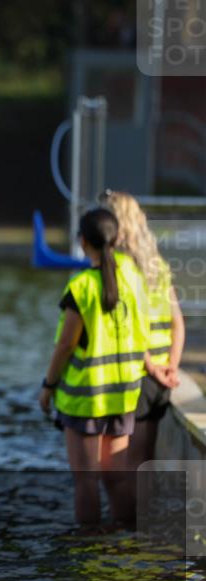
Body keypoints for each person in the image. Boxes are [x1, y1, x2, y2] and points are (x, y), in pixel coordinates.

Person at [38, 208, 166, 533]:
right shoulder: (134, 278)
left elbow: (65, 346)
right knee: (115, 478)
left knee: (86, 481)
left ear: (82, 242)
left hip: (85, 398)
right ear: (118, 238)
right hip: (123, 395)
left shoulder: (81, 288)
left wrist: (48, 386)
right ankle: (126, 535)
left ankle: (89, 548)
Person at [100, 190, 184, 468]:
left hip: (139, 372)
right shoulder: (158, 266)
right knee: (146, 460)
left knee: (128, 465)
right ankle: (144, 511)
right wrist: (171, 365)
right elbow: (177, 322)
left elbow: (129, 328)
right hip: (161, 377)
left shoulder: (122, 268)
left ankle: (128, 513)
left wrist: (151, 367)